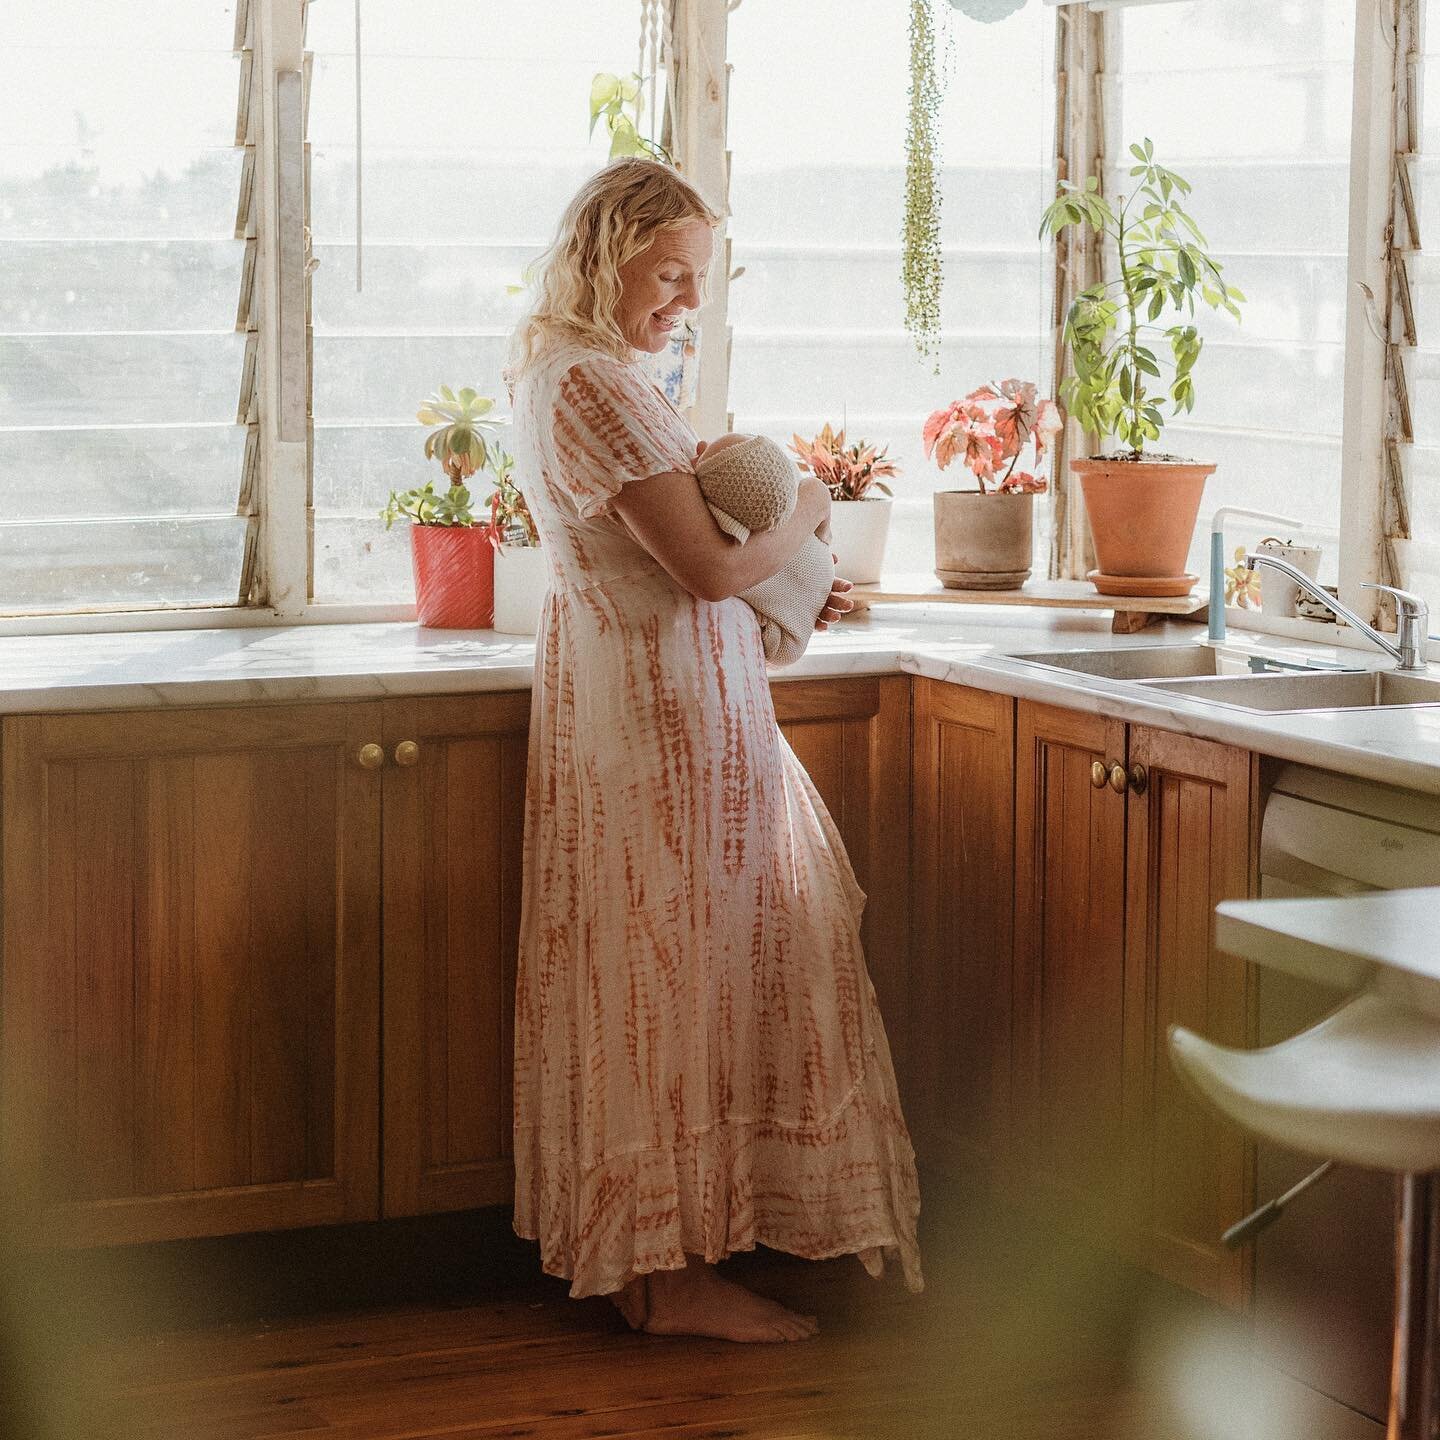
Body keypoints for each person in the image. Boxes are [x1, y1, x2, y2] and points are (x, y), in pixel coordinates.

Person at [506, 156, 923, 1345]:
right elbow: (702, 569)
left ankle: (663, 1262)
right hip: (669, 725)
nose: (688, 300)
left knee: (656, 981)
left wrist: (781, 581)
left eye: (699, 279)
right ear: (608, 252)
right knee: (678, 984)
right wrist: (806, 519)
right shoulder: (600, 385)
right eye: (671, 274)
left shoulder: (564, 375)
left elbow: (681, 567)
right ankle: (673, 1276)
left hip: (641, 708)